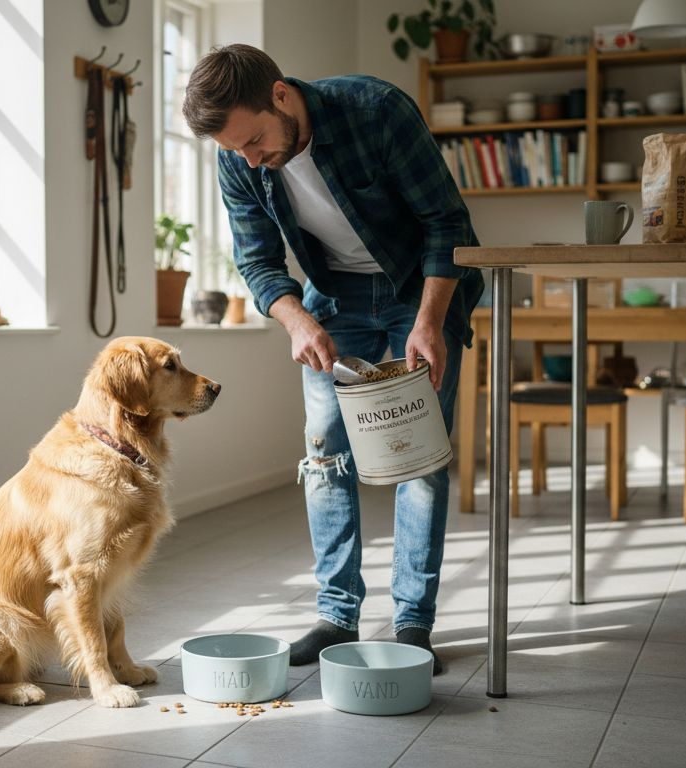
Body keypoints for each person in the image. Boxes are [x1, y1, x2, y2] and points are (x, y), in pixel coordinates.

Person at [181, 44, 483, 674]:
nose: (250, 159)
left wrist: (430, 323)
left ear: (283, 95)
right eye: (236, 149)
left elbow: (445, 222)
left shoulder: (375, 111)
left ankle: (412, 624)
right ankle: (336, 613)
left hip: (416, 288)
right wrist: (297, 321)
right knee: (324, 450)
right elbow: (258, 261)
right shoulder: (239, 157)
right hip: (334, 298)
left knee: (416, 455)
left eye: (256, 140)